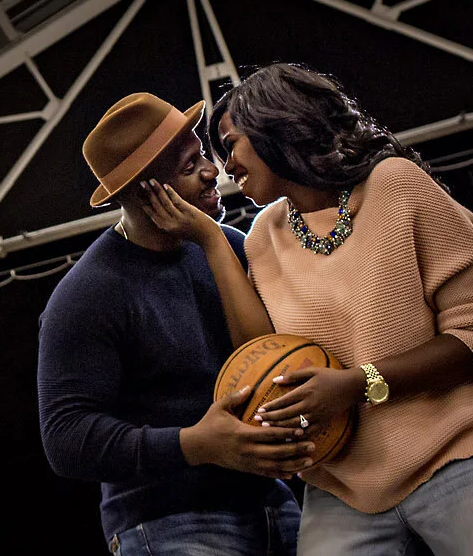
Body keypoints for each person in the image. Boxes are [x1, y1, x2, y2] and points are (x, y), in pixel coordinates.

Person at [138, 63, 473, 556]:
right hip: (345, 487)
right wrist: (211, 240)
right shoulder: (263, 238)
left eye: (231, 144)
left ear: (275, 124)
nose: (226, 165)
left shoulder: (394, 185)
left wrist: (359, 385)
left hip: (464, 451)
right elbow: (264, 356)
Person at [37, 93, 312, 556]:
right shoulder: (87, 295)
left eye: (202, 154)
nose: (212, 171)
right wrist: (194, 445)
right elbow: (65, 438)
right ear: (146, 191)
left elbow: (272, 355)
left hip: (269, 501)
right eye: (190, 166)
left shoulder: (228, 246)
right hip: (168, 523)